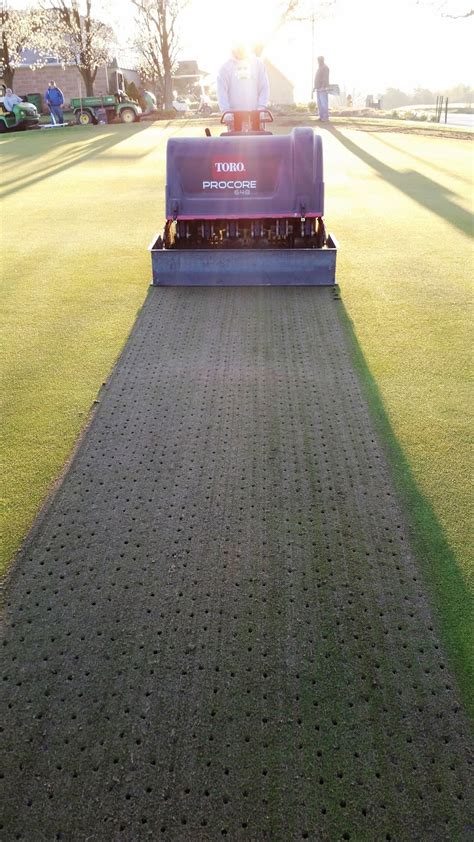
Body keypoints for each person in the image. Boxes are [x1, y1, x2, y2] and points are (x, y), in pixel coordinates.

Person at [217, 43, 269, 126]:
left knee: (259, 139)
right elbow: (222, 92)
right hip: (234, 118)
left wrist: (261, 108)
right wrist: (226, 112)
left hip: (256, 116)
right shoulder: (225, 68)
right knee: (235, 139)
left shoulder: (258, 64)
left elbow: (264, 88)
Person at [313, 55, 330, 122]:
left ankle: (325, 117)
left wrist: (323, 86)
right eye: (318, 60)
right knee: (319, 104)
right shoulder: (319, 68)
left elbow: (325, 78)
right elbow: (317, 78)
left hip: (322, 89)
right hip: (318, 88)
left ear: (322, 60)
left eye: (319, 60)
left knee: (324, 103)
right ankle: (321, 116)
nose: (318, 62)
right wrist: (315, 87)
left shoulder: (325, 68)